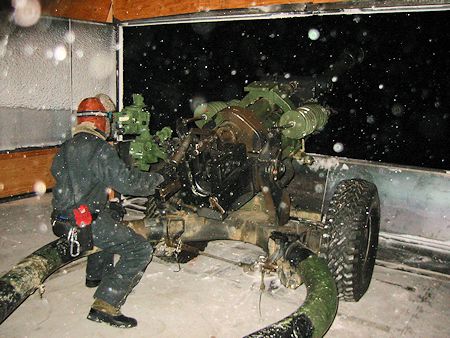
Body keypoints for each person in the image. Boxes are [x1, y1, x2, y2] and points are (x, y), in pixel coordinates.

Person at [50, 96, 164, 328]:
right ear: (101, 121)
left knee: (109, 218)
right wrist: (157, 179)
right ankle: (105, 305)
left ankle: (96, 276)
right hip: (85, 223)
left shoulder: (67, 146)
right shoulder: (98, 148)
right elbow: (127, 183)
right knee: (139, 249)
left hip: (62, 219)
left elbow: (73, 181)